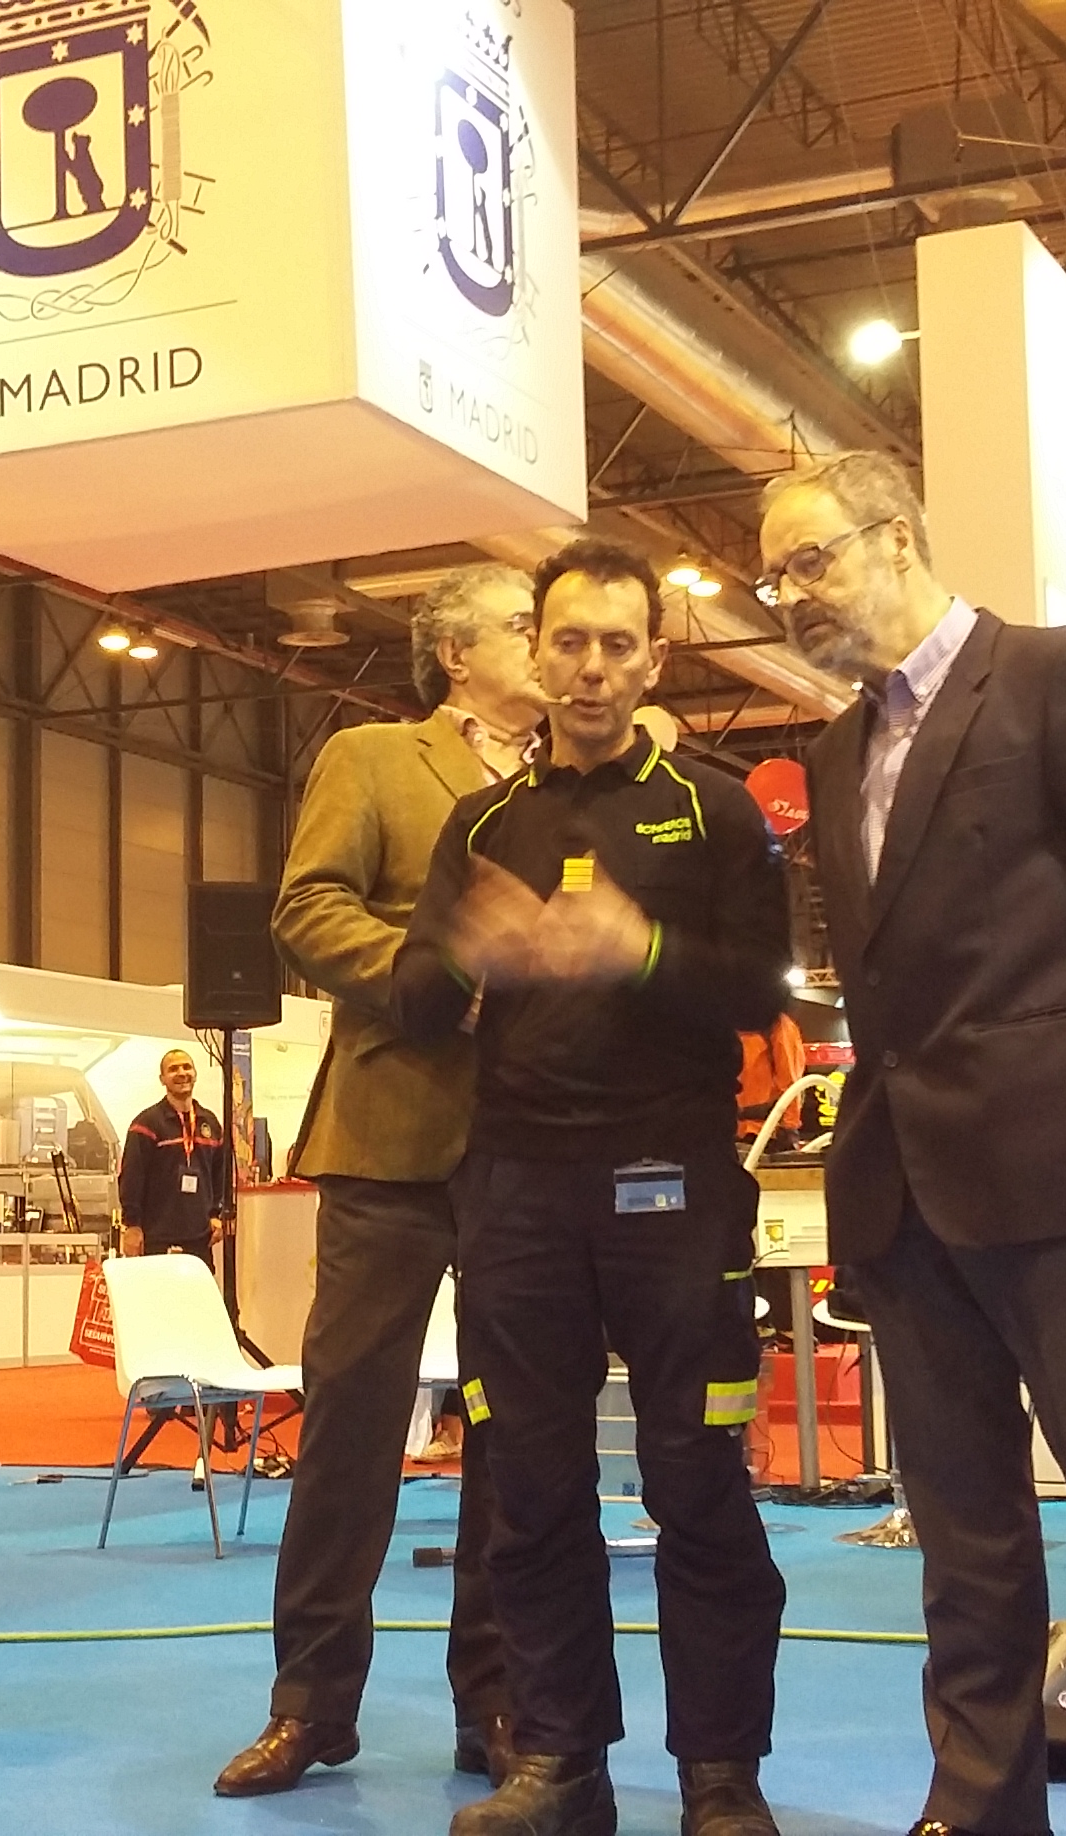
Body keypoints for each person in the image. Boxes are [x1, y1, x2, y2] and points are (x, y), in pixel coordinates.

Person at [766, 451, 1066, 1836]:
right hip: (905, 1195)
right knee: (965, 1539)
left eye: (810, 560)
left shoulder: (1058, 676)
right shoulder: (835, 751)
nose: (791, 595)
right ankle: (980, 1808)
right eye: (775, 577)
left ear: (896, 538)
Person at [391, 539, 793, 1836]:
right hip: (517, 1194)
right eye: (569, 641)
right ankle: (562, 1765)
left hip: (672, 1187)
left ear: (654, 660)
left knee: (698, 1484)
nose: (592, 668)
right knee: (531, 1492)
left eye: (619, 645)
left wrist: (643, 948)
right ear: (537, 651)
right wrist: (471, 949)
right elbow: (412, 1000)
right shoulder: (482, 826)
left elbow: (762, 990)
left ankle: (720, 1775)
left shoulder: (715, 810)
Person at [214, 563, 536, 1798]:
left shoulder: (570, 784)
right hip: (389, 1134)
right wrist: (434, 984)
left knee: (514, 1436)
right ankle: (311, 1707)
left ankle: (496, 1702)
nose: (548, 644)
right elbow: (307, 910)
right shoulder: (374, 758)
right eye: (523, 626)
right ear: (455, 653)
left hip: (527, 1148)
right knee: (350, 1427)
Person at [116, 1049, 232, 1261]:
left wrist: (216, 1215)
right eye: (173, 1069)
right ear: (162, 1079)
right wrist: (132, 1225)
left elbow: (220, 1175)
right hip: (156, 1238)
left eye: (187, 1067)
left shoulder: (210, 1123)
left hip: (200, 1239)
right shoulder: (146, 1124)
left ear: (195, 1074)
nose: (181, 1073)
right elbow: (132, 1178)